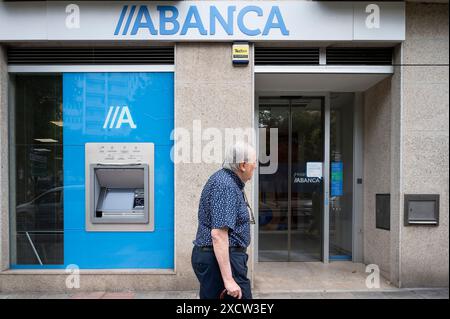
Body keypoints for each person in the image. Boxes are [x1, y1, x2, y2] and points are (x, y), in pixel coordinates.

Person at [191, 141, 257, 299]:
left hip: (223, 258)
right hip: (221, 259)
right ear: (243, 165)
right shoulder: (225, 185)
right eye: (254, 162)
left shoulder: (227, 181)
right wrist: (228, 280)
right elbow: (218, 235)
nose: (255, 166)